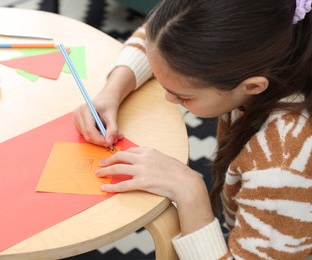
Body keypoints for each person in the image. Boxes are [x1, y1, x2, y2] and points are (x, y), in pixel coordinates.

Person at [73, 0, 312, 258]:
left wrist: (190, 192)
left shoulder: (283, 168)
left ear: (253, 86)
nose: (168, 99)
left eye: (182, 96)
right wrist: (113, 90)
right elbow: (159, 33)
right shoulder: (264, 35)